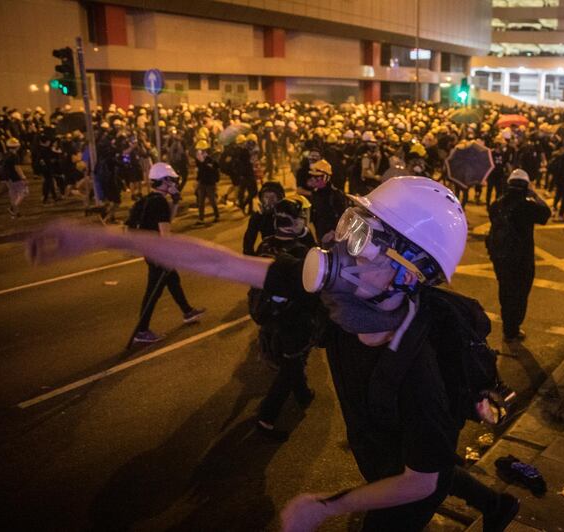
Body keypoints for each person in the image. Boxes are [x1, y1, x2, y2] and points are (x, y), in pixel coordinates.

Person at [28, 176, 519, 532]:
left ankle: (492, 507)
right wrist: (100, 236)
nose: (341, 246)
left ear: (409, 273)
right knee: (427, 456)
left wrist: (326, 506)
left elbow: (417, 481)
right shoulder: (341, 300)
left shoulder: (419, 370)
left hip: (405, 487)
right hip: (387, 448)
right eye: (351, 224)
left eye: (364, 239)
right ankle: (497, 507)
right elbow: (218, 262)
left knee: (426, 475)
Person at [250, 197, 318, 441]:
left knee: (293, 360)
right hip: (294, 321)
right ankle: (266, 418)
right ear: (296, 221)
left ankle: (303, 394)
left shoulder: (266, 245)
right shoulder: (299, 253)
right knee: (291, 365)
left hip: (270, 318)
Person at [129, 162, 206, 344]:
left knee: (173, 280)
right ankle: (142, 330)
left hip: (150, 250)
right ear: (164, 181)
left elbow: (166, 219)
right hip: (159, 253)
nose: (174, 183)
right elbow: (165, 231)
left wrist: (176, 201)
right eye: (171, 180)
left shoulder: (151, 199)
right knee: (153, 293)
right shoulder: (160, 203)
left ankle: (187, 311)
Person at [486, 169, 551, 342]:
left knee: (505, 290)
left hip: (500, 256)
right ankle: (513, 327)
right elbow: (546, 213)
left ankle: (508, 325)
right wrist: (533, 193)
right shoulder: (527, 205)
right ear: (525, 185)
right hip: (521, 258)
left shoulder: (496, 204)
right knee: (521, 293)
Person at [243, 181, 285, 256]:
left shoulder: (288, 214)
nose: (268, 201)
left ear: (280, 199)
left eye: (272, 198)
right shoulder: (258, 217)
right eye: (266, 197)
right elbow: (249, 240)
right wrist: (250, 258)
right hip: (269, 253)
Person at [0, 138, 28, 218]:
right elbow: (17, 168)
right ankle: (13, 208)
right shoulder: (15, 156)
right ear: (17, 146)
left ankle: (15, 213)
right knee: (24, 192)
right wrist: (23, 177)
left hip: (6, 177)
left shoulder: (6, 154)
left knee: (13, 194)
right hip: (14, 177)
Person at [194, 140, 219, 224]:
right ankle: (201, 218)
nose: (199, 151)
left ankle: (217, 216)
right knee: (201, 202)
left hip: (210, 183)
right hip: (202, 182)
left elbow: (212, 169)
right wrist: (197, 180)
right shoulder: (198, 159)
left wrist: (203, 162)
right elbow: (200, 171)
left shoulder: (209, 159)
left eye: (200, 150)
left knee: (212, 201)